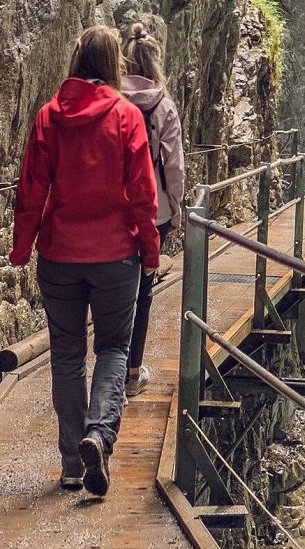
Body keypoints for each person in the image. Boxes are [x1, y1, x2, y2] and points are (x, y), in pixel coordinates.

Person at [9, 25, 162, 497]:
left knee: (68, 356)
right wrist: (151, 250)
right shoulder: (125, 116)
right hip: (117, 255)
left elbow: (31, 190)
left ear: (77, 60)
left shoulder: (48, 118)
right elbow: (142, 192)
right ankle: (99, 435)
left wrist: (20, 248)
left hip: (59, 256)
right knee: (114, 349)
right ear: (113, 63)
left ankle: (73, 464)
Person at [118, 22, 185, 398]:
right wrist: (176, 210)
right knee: (143, 292)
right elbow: (174, 166)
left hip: (116, 209)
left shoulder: (114, 101)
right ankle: (130, 370)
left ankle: (107, 368)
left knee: (113, 289)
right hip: (154, 212)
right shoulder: (164, 106)